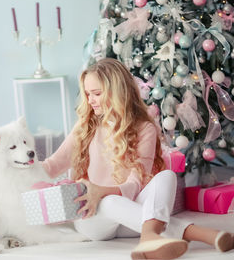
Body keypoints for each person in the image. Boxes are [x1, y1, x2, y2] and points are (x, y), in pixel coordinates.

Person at [41, 58, 234, 259]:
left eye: (96, 94)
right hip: (92, 219)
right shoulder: (84, 128)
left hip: (130, 216)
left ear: (117, 92)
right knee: (109, 202)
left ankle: (148, 237)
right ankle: (196, 235)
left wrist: (102, 190)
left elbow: (135, 184)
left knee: (167, 176)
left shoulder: (145, 129)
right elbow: (51, 166)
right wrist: (15, 162)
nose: (90, 100)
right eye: (88, 94)